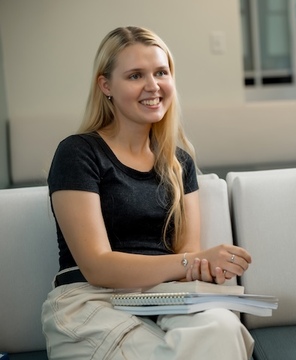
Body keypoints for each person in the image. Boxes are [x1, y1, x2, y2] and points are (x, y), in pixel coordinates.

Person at [41, 26, 254, 359]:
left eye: (161, 72)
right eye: (136, 75)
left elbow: (187, 258)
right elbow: (97, 266)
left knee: (222, 329)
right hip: (93, 299)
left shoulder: (179, 162)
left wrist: (204, 267)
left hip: (164, 297)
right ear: (106, 85)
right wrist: (190, 261)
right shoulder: (78, 153)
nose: (153, 86)